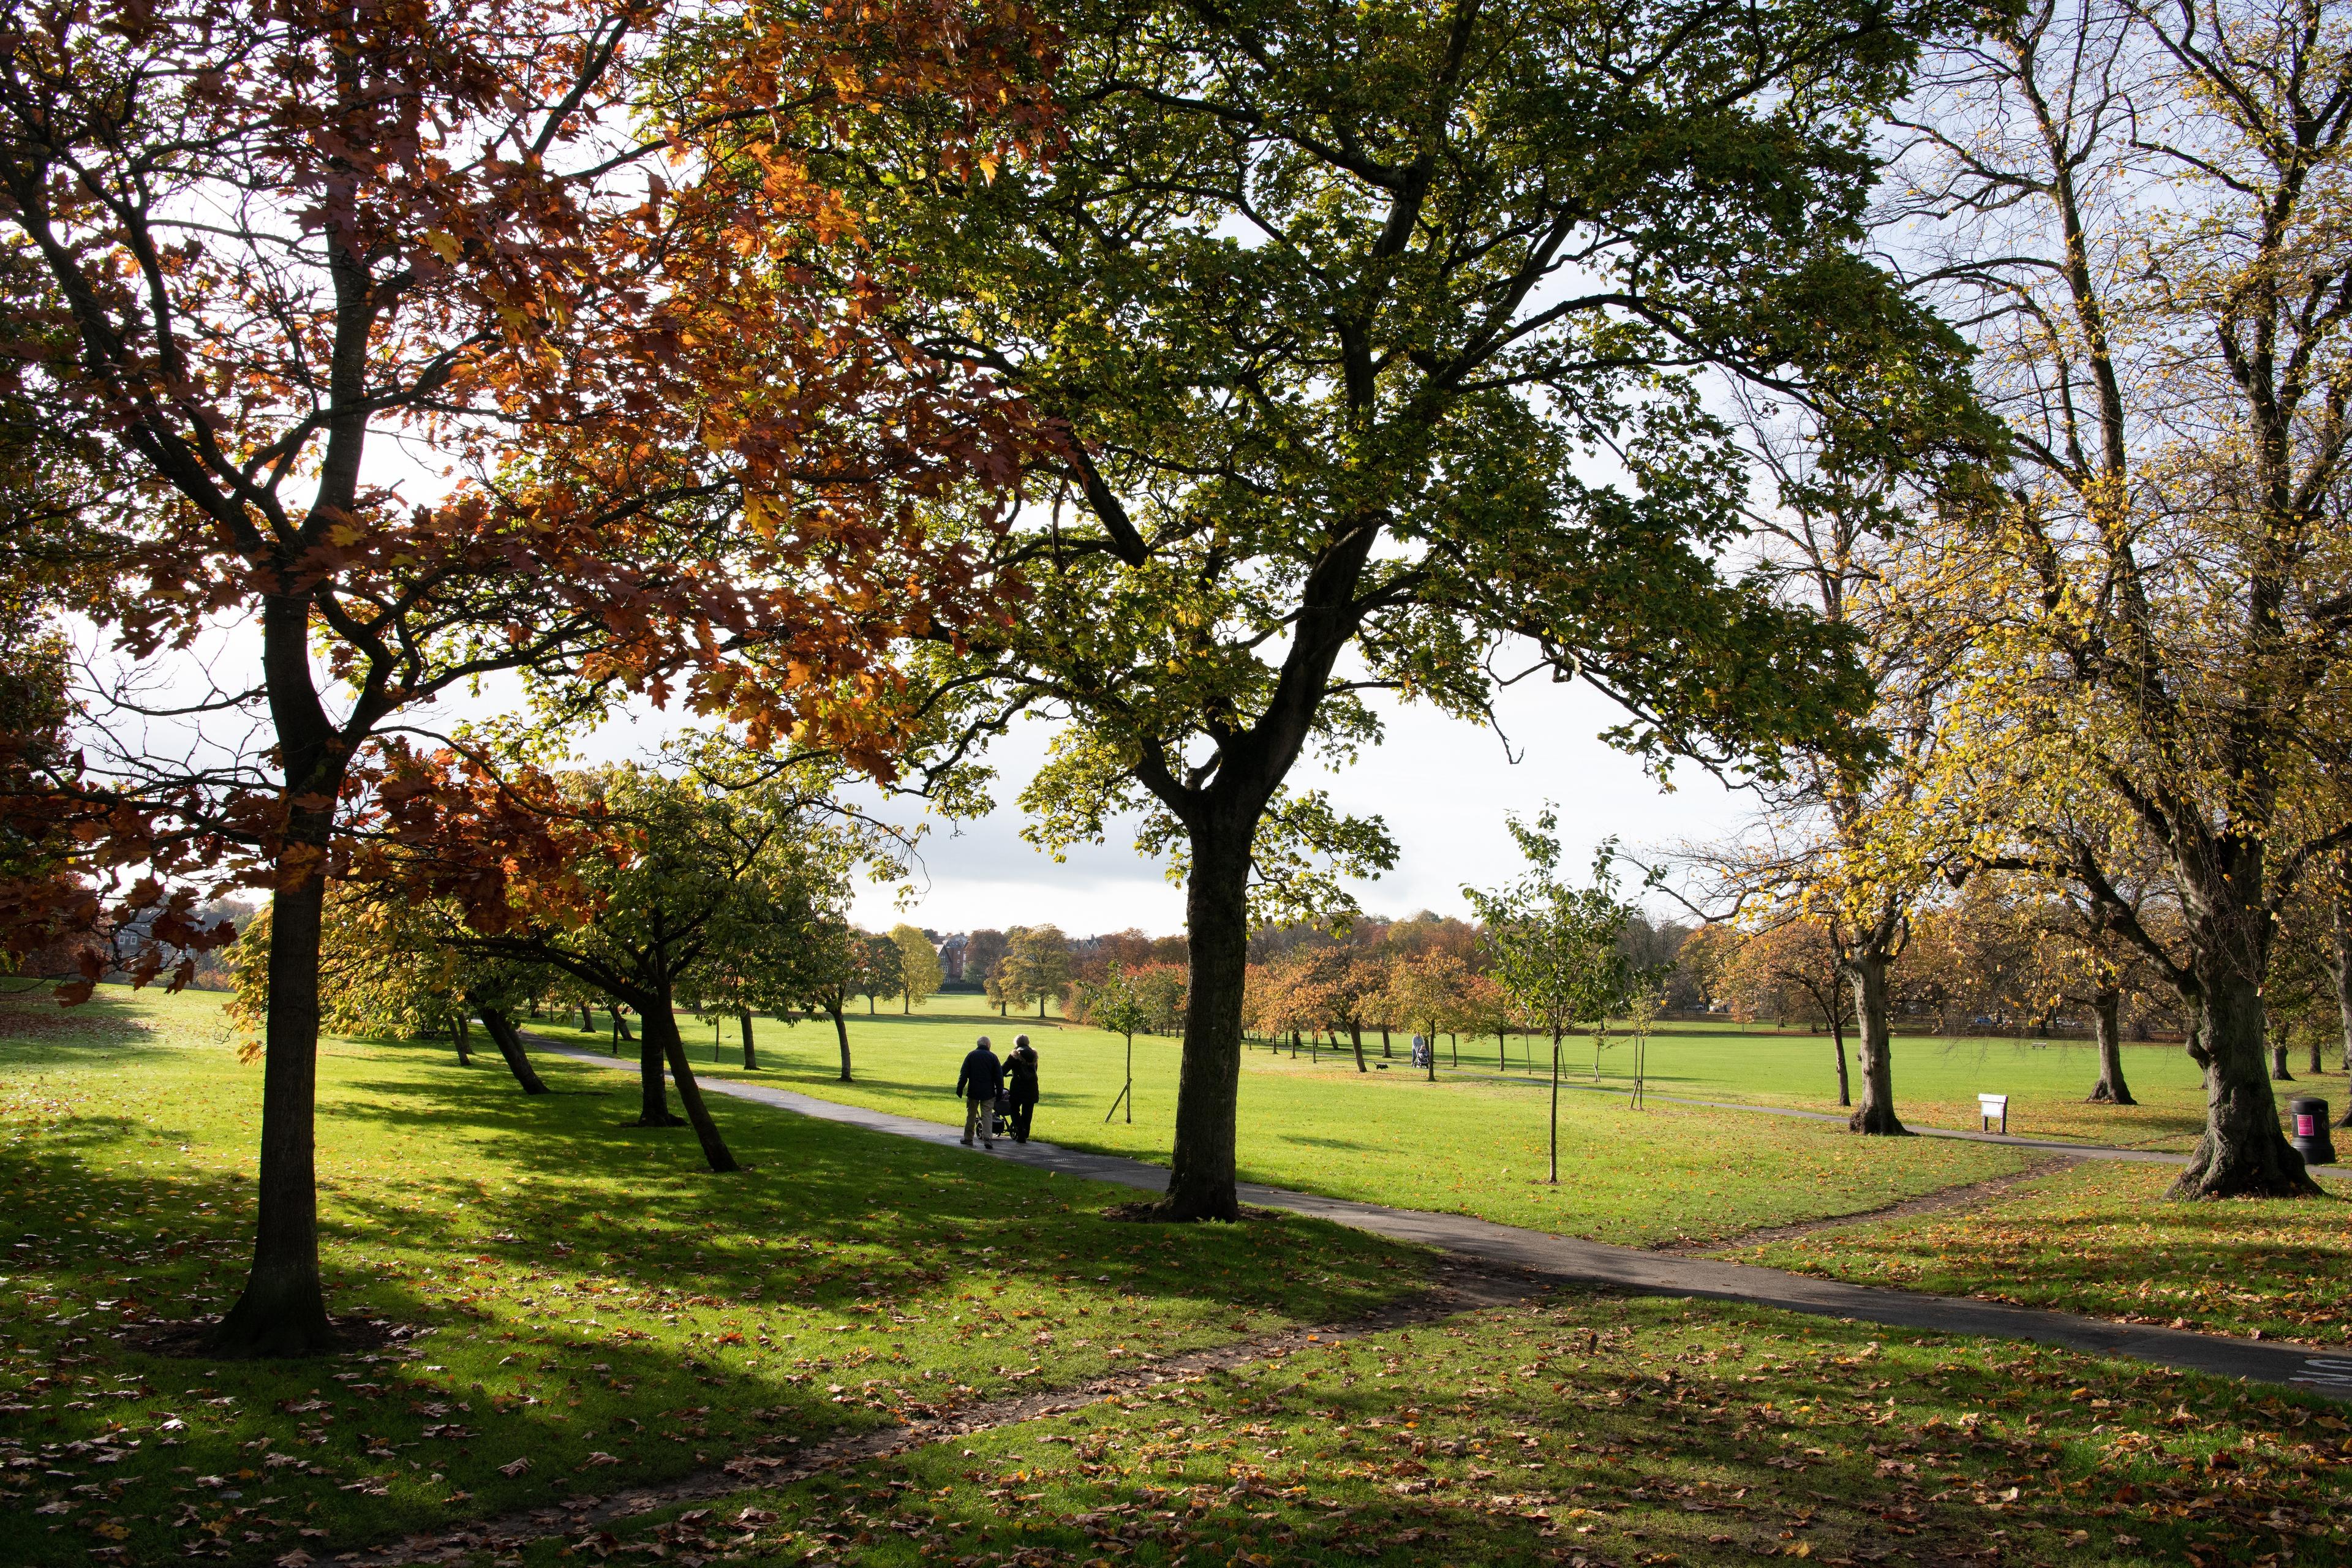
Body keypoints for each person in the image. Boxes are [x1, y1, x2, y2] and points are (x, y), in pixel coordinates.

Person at [956, 1035, 1003, 1148]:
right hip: (988, 1092)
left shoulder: (971, 1055)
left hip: (973, 1090)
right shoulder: (993, 1057)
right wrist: (1000, 1092)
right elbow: (999, 1077)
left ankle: (968, 1138)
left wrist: (960, 1088)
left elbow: (964, 1073)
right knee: (987, 1115)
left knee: (971, 1114)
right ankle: (987, 1138)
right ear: (988, 1045)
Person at [1005, 1034, 1040, 1144]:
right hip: (1032, 1087)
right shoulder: (1034, 1055)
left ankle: (1020, 1129)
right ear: (1028, 1043)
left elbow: (1004, 1069)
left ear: (1017, 1043)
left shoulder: (1015, 1055)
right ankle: (1025, 1132)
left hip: (1018, 1087)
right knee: (1028, 1110)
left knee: (1014, 1108)